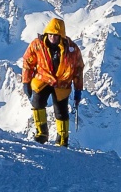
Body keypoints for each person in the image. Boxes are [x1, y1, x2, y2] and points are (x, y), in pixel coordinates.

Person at [21, 17, 84, 146]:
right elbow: (28, 62)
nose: (52, 38)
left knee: (61, 112)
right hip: (42, 79)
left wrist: (78, 90)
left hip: (62, 83)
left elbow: (78, 70)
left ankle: (62, 139)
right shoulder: (37, 44)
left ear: (61, 35)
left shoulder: (72, 49)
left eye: (55, 35)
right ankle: (41, 133)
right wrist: (26, 82)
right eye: (50, 35)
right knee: (37, 104)